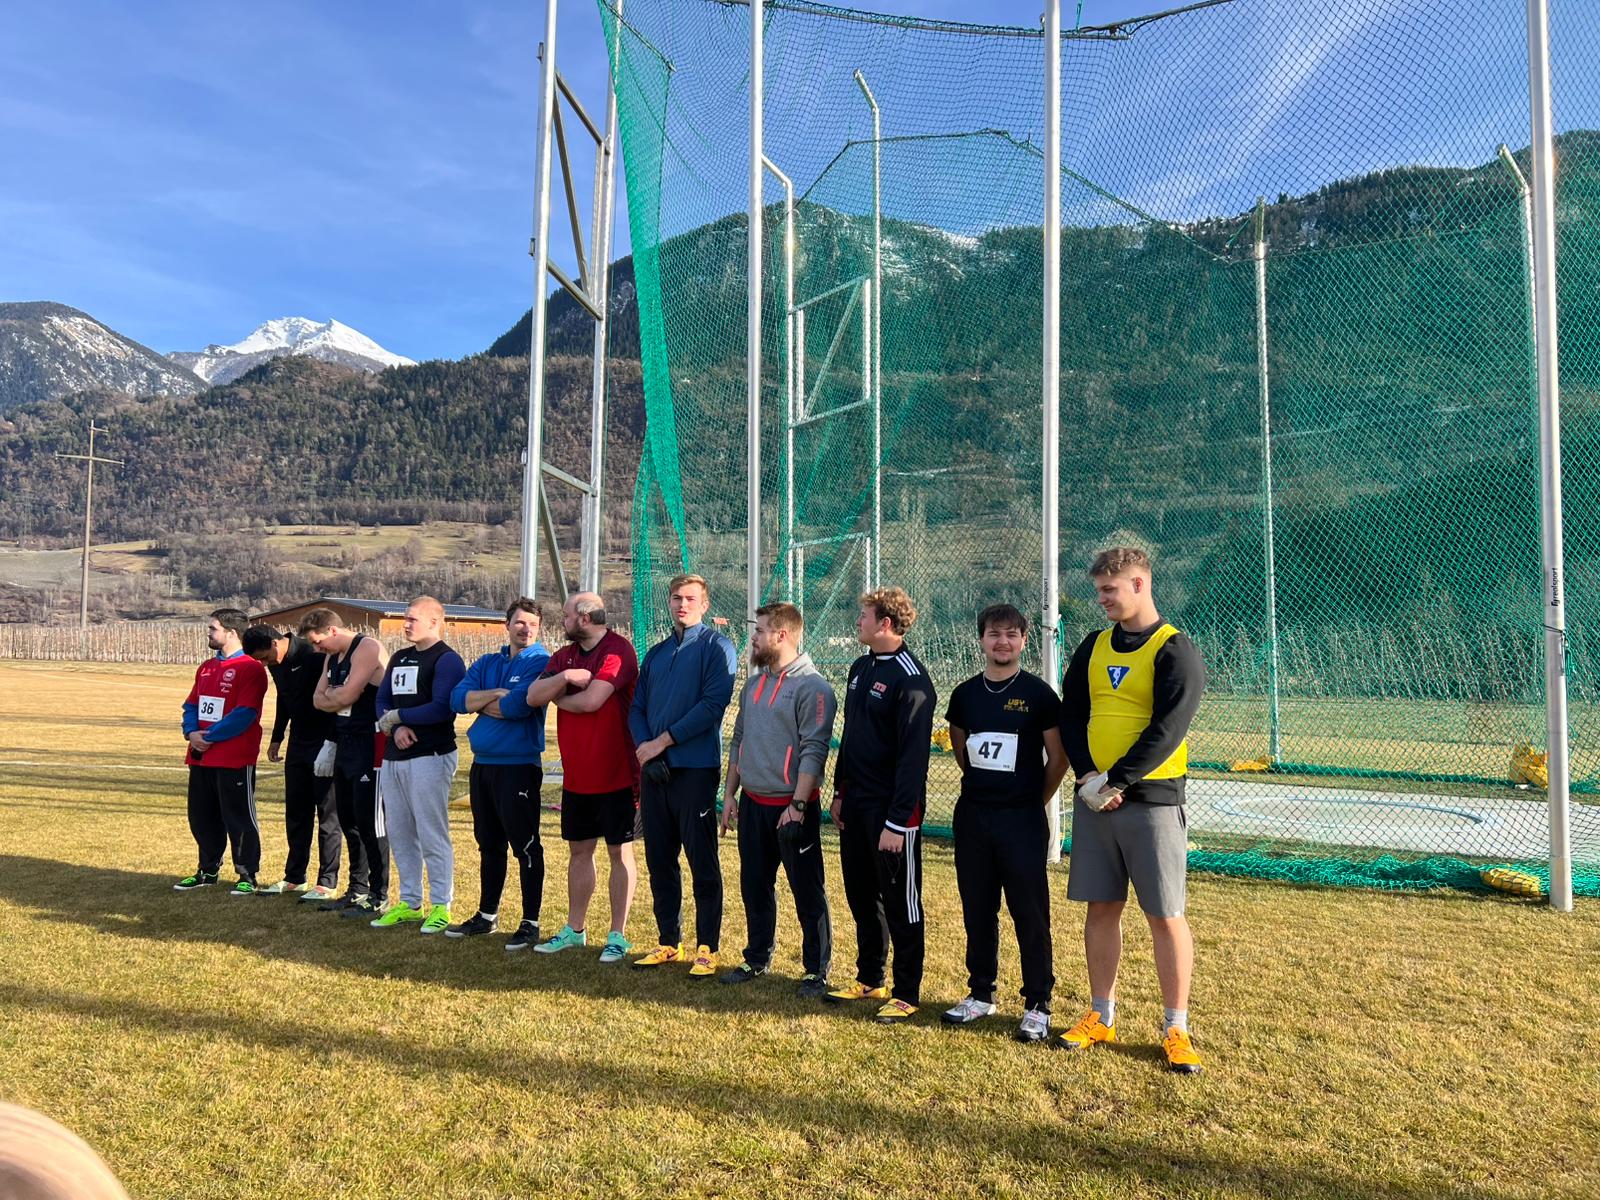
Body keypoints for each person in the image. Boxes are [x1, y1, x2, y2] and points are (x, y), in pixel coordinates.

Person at [1057, 546, 1206, 1074]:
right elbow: (1071, 714)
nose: (1101, 599)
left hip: (1153, 801)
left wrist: (1117, 780)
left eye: (1109, 590)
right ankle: (1101, 1016)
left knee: (1164, 915)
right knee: (1101, 908)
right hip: (1095, 798)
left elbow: (1168, 730)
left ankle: (1176, 1028)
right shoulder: (1093, 646)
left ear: (1139, 584)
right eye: (1099, 590)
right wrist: (1088, 776)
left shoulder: (1176, 650)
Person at [942, 603, 1067, 1042]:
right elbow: (962, 748)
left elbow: (1059, 758)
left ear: (1024, 641)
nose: (1003, 642)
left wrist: (1033, 800)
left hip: (1022, 821)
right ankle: (981, 994)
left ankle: (1038, 1004)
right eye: (994, 633)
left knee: (1029, 913)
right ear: (981, 639)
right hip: (974, 817)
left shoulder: (1039, 695)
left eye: (1012, 634)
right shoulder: (964, 695)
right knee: (978, 909)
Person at [827, 586, 936, 1025]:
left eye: (864, 616)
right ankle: (870, 978)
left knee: (901, 901)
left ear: (885, 623)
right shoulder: (861, 667)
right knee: (860, 893)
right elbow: (851, 737)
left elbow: (914, 759)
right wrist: (840, 791)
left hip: (892, 813)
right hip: (856, 804)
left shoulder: (912, 679)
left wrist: (897, 820)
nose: (858, 622)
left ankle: (907, 992)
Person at [718, 602, 836, 997]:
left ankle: (815, 970)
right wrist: (730, 794)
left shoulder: (814, 688)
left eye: (759, 630)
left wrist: (797, 806)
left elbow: (814, 750)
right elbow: (738, 741)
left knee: (807, 890)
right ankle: (756, 957)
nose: (753, 637)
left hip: (792, 809)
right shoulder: (753, 685)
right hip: (753, 804)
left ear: (781, 635)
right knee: (754, 885)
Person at [516, 592, 640, 963]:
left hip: (618, 774)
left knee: (620, 852)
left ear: (584, 618)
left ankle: (617, 935)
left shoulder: (618, 650)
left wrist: (559, 697)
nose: (563, 620)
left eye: (568, 615)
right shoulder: (563, 658)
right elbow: (532, 696)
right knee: (579, 852)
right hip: (577, 776)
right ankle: (575, 929)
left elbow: (591, 701)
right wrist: (566, 678)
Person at [627, 574, 737, 977]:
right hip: (655, 772)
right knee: (659, 859)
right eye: (676, 598)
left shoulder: (718, 648)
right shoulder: (656, 654)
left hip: (695, 769)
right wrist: (646, 749)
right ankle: (668, 941)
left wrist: (663, 742)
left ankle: (707, 947)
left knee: (701, 860)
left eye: (690, 599)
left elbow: (712, 706)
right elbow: (636, 708)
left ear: (704, 605)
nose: (682, 605)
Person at [446, 598, 551, 949]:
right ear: (507, 625)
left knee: (524, 844)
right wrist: (494, 694)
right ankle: (487, 915)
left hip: (518, 766)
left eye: (533, 624)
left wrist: (484, 703)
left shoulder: (540, 662)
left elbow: (518, 706)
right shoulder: (487, 662)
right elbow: (457, 700)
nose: (526, 629)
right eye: (520, 622)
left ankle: (530, 922)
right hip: (483, 765)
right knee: (489, 843)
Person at [372, 596, 466, 934]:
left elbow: (442, 707)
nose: (406, 624)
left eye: (413, 619)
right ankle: (410, 902)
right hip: (394, 756)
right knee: (399, 831)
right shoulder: (399, 657)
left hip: (431, 755)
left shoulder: (447, 660)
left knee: (431, 831)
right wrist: (395, 727)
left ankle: (441, 904)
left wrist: (399, 717)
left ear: (434, 622)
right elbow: (382, 700)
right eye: (405, 618)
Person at [174, 608, 270, 896]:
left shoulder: (251, 668)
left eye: (213, 628)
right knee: (201, 816)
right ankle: (207, 870)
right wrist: (191, 733)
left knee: (239, 817)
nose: (209, 633)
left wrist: (210, 736)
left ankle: (247, 875)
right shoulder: (206, 667)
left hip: (233, 757)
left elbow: (245, 713)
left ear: (232, 633)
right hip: (201, 755)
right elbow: (191, 705)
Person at [302, 608, 389, 919]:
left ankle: (379, 894)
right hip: (345, 741)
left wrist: (335, 695)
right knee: (348, 818)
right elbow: (318, 700)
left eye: (318, 642)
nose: (317, 649)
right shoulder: (332, 657)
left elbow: (347, 696)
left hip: (370, 742)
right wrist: (336, 697)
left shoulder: (367, 648)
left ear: (333, 631)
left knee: (370, 821)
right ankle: (357, 888)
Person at [244, 625, 341, 901]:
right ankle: (295, 877)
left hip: (324, 742)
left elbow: (337, 699)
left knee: (327, 814)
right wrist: (277, 737)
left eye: (265, 657)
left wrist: (332, 743)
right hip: (298, 743)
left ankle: (327, 881)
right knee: (296, 812)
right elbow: (284, 699)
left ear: (276, 642)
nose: (265, 664)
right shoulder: (276, 664)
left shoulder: (314, 655)